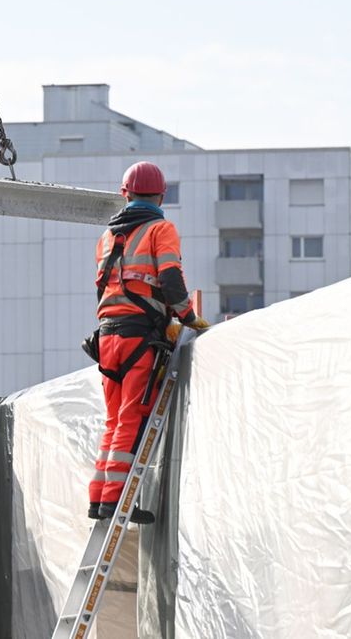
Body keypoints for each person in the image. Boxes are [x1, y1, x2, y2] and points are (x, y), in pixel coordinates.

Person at [86, 161, 209, 522]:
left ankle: (98, 498)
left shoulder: (107, 238)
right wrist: (187, 317)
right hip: (138, 336)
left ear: (124, 194)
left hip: (108, 336)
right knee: (131, 418)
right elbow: (170, 279)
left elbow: (105, 288)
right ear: (161, 196)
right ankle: (116, 501)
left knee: (113, 420)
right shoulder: (160, 229)